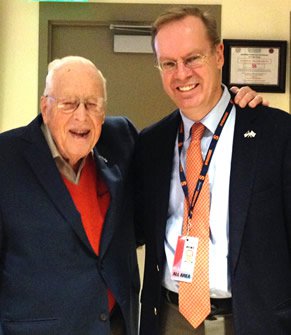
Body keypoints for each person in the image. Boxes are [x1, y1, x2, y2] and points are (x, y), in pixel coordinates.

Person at [135, 6, 291, 335]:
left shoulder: (276, 134)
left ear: (219, 54)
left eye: (193, 58)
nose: (182, 74)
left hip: (251, 320)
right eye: (169, 63)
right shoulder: (151, 143)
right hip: (170, 318)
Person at [0, 56, 140, 335]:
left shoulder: (121, 139)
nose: (81, 116)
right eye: (68, 104)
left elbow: (173, 152)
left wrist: (241, 112)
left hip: (115, 325)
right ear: (45, 106)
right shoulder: (6, 158)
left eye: (92, 104)